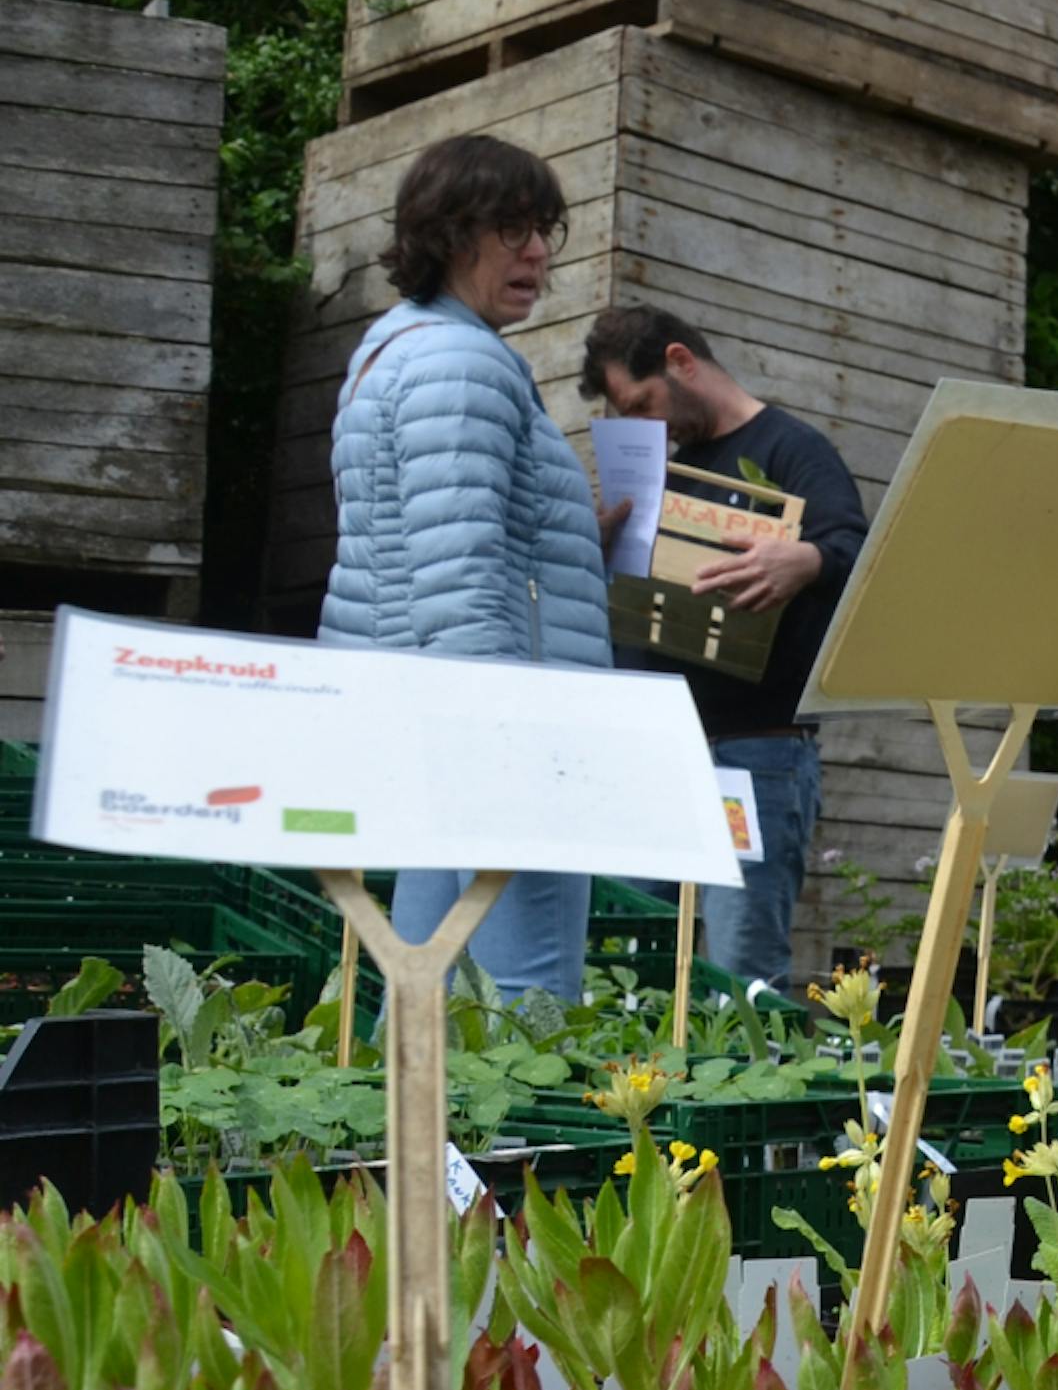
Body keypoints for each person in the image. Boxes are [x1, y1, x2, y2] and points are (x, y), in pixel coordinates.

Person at [317, 134, 611, 999]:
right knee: (527, 1004)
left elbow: (434, 538)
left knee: (430, 988)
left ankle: (409, 1134)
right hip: (488, 721)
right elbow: (457, 567)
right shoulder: (462, 361)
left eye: (544, 229)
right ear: (448, 235)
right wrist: (506, 740)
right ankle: (516, 1142)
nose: (537, 251)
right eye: (512, 228)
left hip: (430, 717)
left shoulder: (396, 347)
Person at [574, 307, 870, 991]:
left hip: (755, 753)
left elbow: (862, 557)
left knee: (743, 972)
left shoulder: (793, 448)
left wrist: (807, 561)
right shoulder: (666, 475)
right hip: (657, 750)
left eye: (644, 404)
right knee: (624, 969)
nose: (649, 427)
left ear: (681, 360)